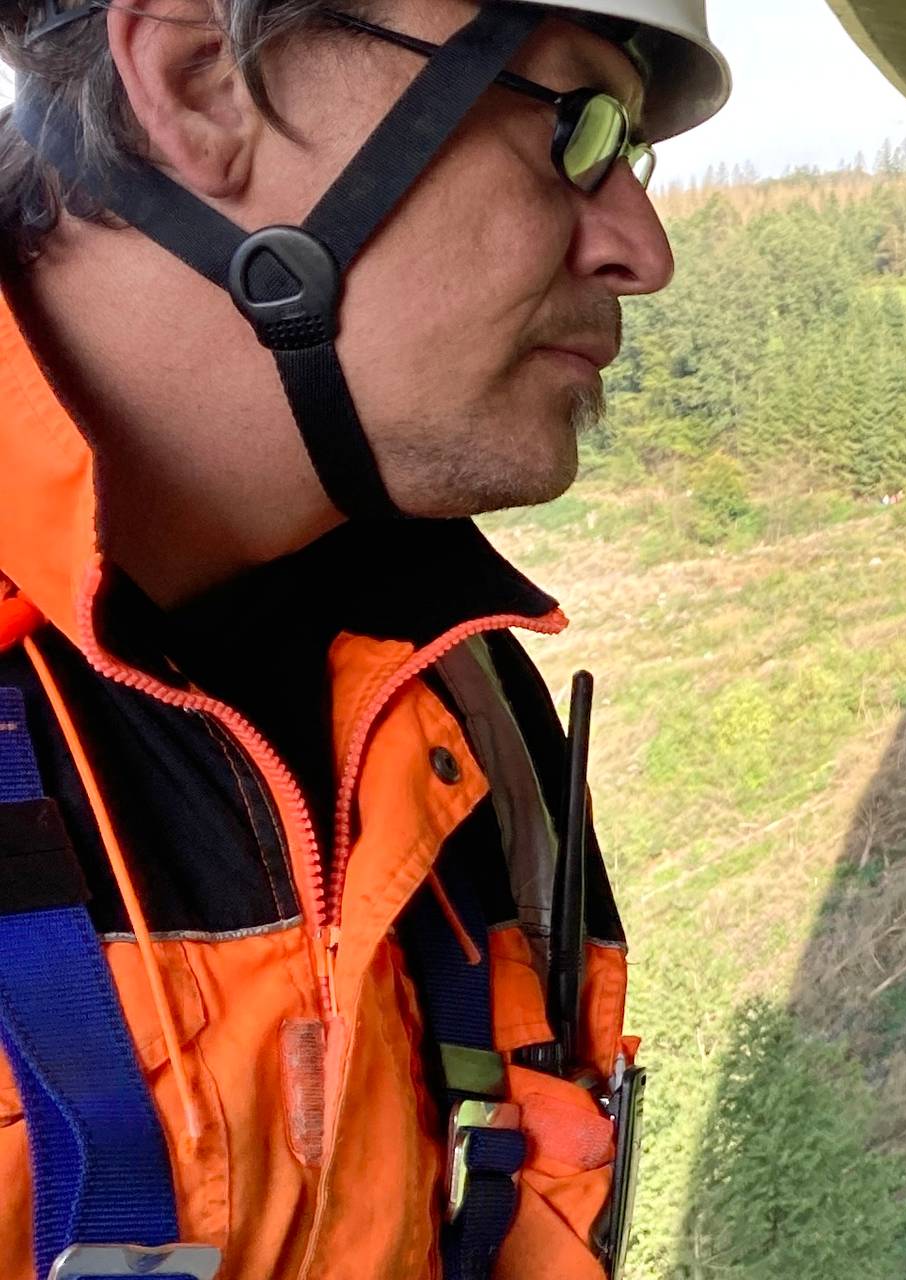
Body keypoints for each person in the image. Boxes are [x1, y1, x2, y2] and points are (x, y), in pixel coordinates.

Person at [0, 1, 726, 1277]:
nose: (641, 249)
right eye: (577, 129)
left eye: (636, 159)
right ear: (204, 79)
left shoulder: (454, 696)